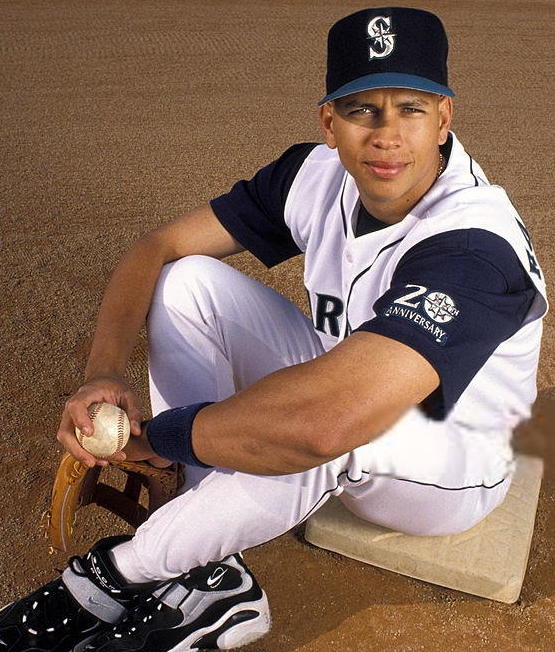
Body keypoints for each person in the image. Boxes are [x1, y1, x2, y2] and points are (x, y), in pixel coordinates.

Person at [1, 6, 547, 652]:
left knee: (321, 428)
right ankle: (209, 558)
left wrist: (164, 437)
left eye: (411, 109)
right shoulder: (311, 176)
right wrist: (102, 372)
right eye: (362, 110)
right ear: (329, 123)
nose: (387, 136)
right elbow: (157, 249)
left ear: (443, 119)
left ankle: (119, 574)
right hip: (348, 383)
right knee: (187, 283)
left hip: (451, 462)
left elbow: (327, 422)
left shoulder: (473, 244)